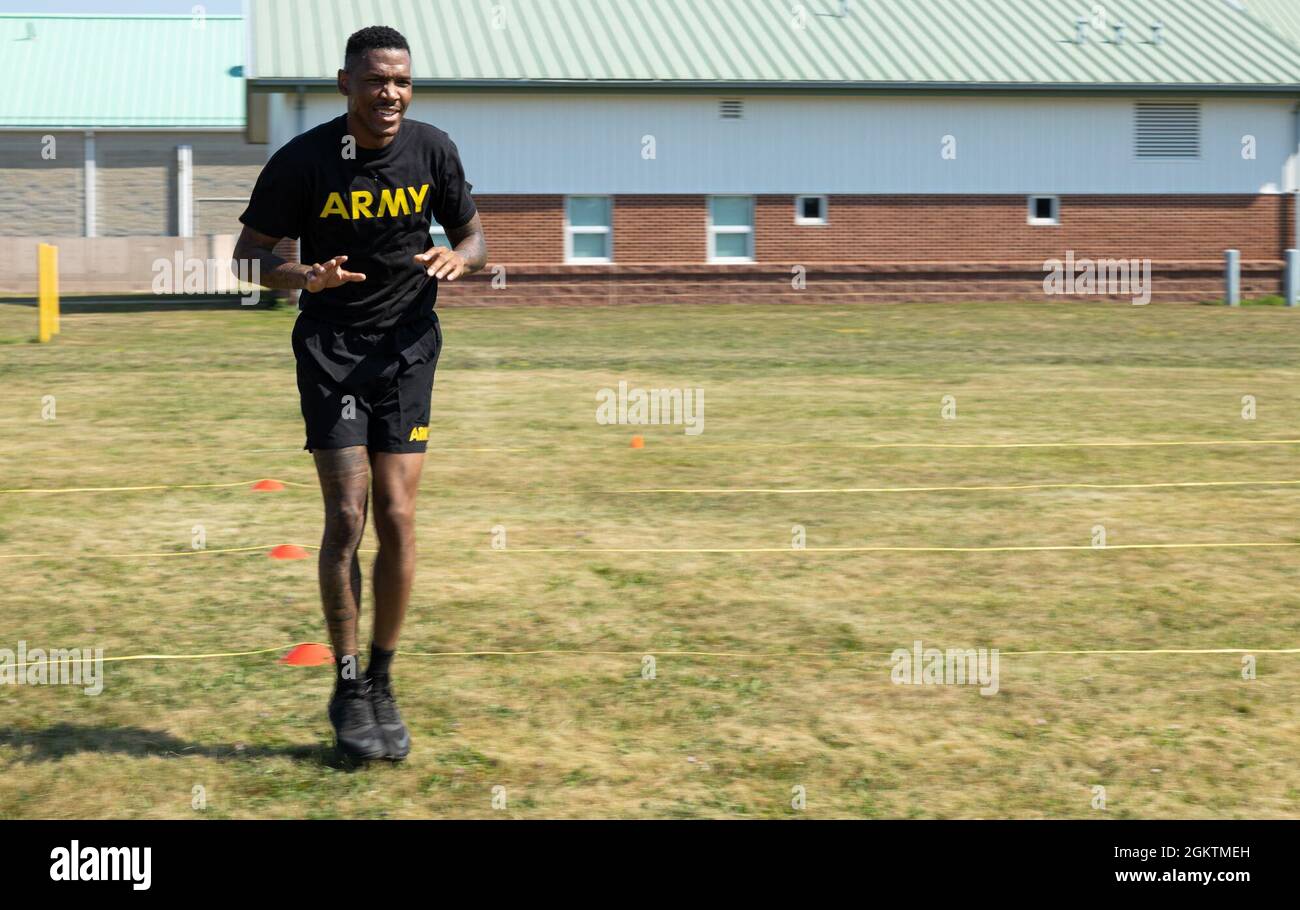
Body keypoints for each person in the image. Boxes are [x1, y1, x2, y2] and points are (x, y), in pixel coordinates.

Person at [232, 25, 487, 762]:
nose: (391, 94)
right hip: (332, 352)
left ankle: (382, 678)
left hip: (407, 351)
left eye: (402, 80)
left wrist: (458, 258)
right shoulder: (304, 161)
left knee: (399, 517)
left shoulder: (432, 149)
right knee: (348, 516)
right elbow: (248, 259)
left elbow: (475, 237)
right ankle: (345, 683)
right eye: (376, 80)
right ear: (346, 83)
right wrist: (302, 276)